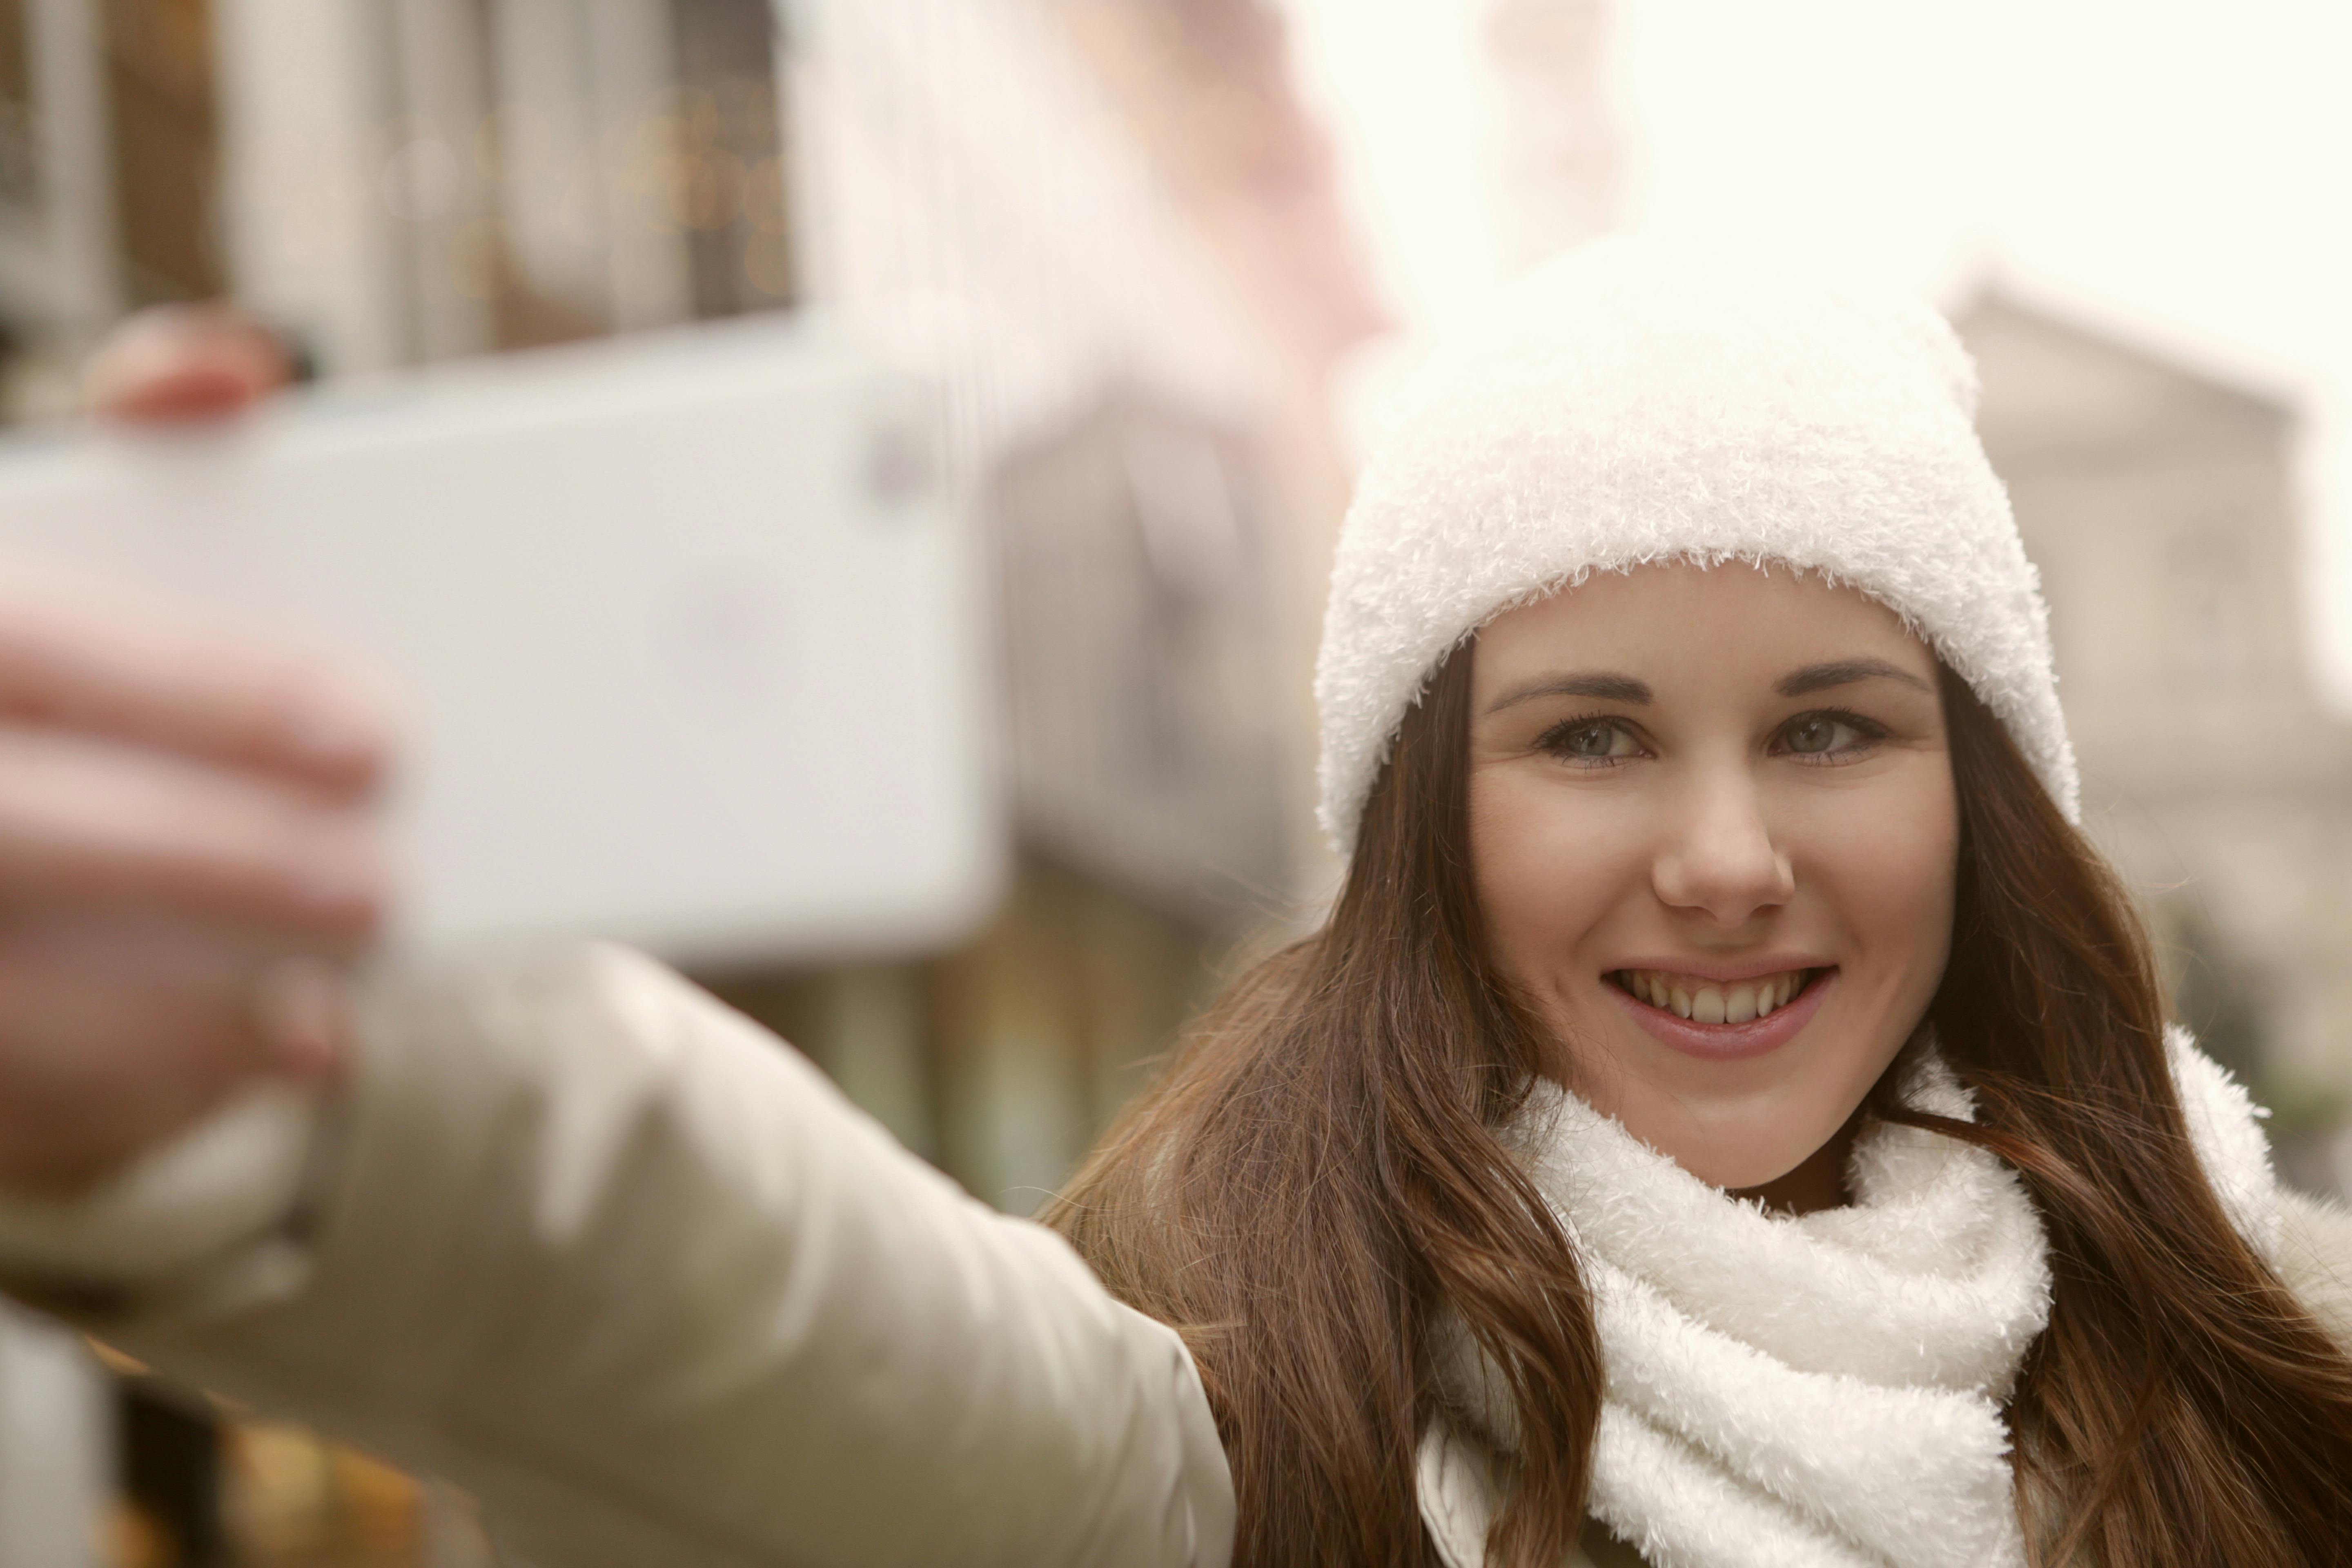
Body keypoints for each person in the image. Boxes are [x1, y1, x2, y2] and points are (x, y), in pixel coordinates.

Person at [0, 241, 2349, 1568]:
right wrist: (314, 1048)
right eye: (1592, 735)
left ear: (1985, 799)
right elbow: (739, 1310)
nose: (1725, 858)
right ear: (1420, 829)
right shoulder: (1243, 1426)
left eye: (1833, 726)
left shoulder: (2289, 1357)